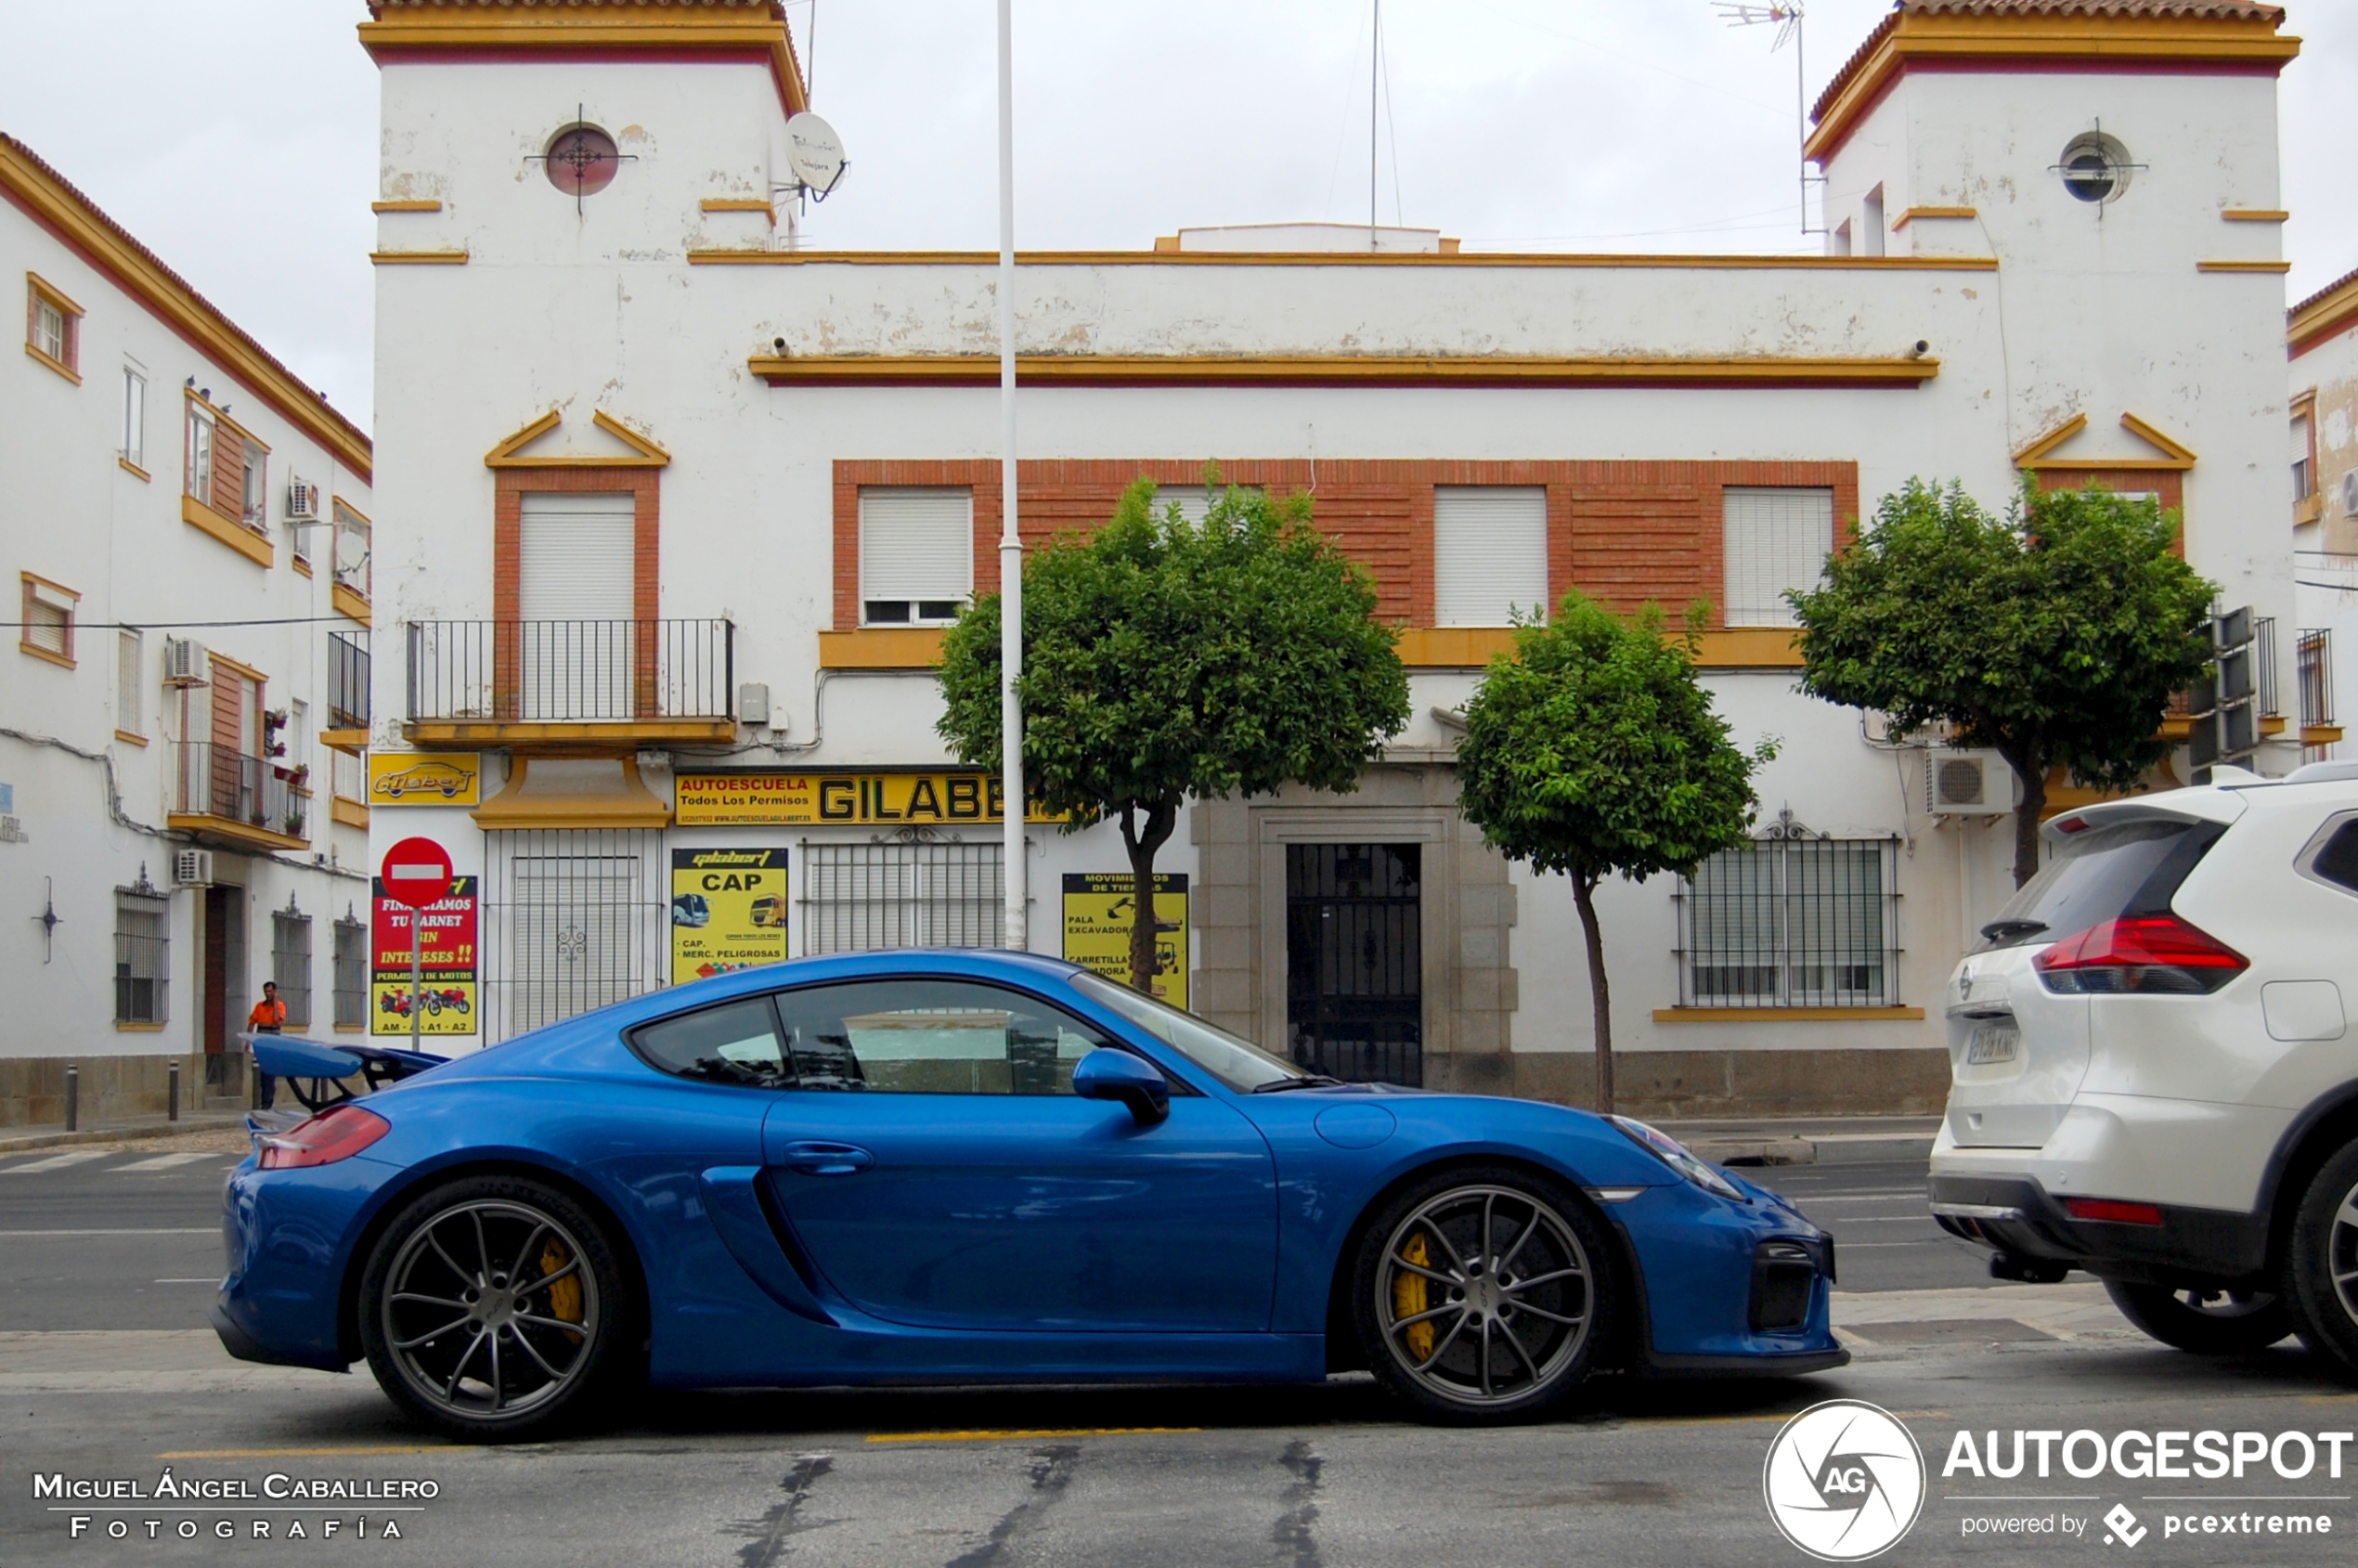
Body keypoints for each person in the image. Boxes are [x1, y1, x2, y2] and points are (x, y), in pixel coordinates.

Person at [247, 980, 287, 1109]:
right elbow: (252, 1023)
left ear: (275, 992)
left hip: (273, 1044)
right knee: (260, 1073)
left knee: (270, 1074)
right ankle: (262, 1100)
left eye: (270, 992)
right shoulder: (260, 1006)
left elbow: (277, 1019)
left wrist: (275, 1001)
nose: (267, 994)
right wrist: (248, 1041)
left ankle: (267, 1103)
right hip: (261, 1044)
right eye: (266, 992)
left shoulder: (280, 1006)